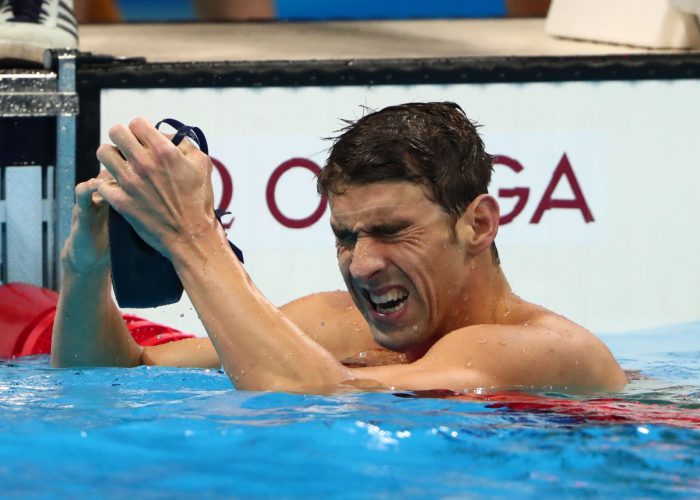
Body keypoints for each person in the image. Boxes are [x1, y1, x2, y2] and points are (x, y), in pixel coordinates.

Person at [51, 102, 627, 393]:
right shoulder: (336, 324)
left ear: (477, 225)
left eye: (393, 231)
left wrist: (193, 236)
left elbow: (315, 406)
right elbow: (107, 375)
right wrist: (86, 263)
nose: (363, 263)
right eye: (345, 236)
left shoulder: (539, 351)